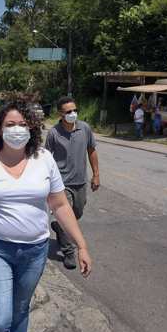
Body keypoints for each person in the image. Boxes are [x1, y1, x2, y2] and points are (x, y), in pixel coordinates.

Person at [0, 103, 93, 332]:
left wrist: (81, 245)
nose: (17, 130)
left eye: (22, 125)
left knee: (20, 311)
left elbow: (60, 204)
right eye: (10, 125)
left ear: (32, 129)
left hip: (34, 250)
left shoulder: (44, 159)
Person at [45, 97, 100, 270]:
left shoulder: (85, 129)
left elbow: (91, 151)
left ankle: (60, 228)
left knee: (77, 213)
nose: (73, 114)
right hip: (61, 184)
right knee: (65, 215)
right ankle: (69, 252)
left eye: (75, 110)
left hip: (80, 182)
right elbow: (46, 157)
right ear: (60, 114)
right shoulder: (54, 133)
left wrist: (96, 174)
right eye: (68, 112)